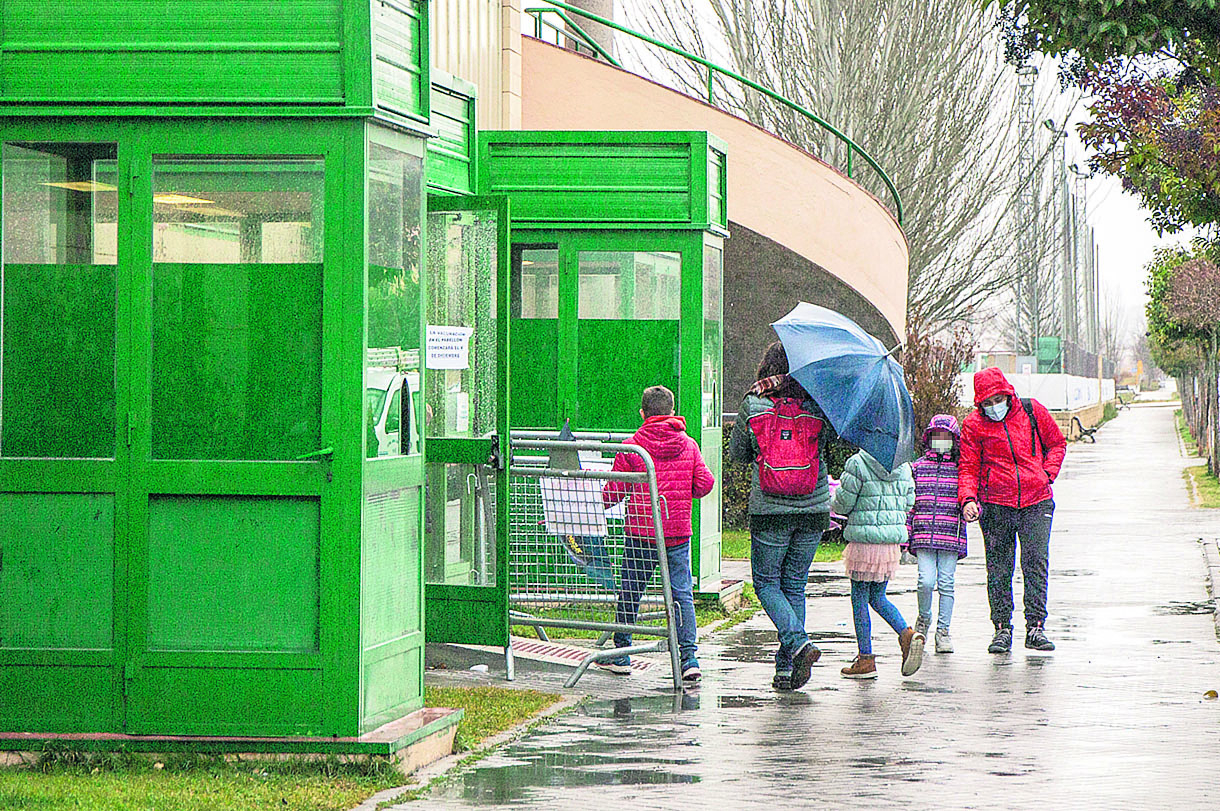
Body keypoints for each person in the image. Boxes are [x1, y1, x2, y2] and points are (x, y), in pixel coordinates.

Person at [728, 341, 836, 691]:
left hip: (770, 508)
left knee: (766, 583)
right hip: (813, 506)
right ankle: (786, 670)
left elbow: (739, 454)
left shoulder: (753, 402)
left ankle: (799, 644)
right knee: (794, 586)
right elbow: (827, 445)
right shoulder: (818, 405)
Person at [600, 385, 715, 681]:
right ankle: (689, 658)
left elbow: (613, 494)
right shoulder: (688, 444)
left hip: (641, 532)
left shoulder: (632, 446)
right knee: (681, 595)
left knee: (630, 592)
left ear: (643, 413)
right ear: (672, 412)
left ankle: (622, 652)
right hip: (676, 533)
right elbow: (704, 484)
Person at [959, 367, 1067, 653]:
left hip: (1037, 500)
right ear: (979, 403)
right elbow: (968, 466)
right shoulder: (973, 426)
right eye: (987, 402)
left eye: (998, 399)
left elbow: (1057, 443)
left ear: (1008, 394)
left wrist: (1047, 474)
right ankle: (1002, 628)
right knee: (998, 567)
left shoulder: (1032, 410)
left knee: (1035, 563)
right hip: (996, 505)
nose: (994, 407)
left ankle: (1036, 627)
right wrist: (968, 498)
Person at [831, 447, 922, 679]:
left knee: (859, 598)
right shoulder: (903, 466)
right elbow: (909, 502)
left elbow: (842, 504)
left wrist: (833, 494)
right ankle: (907, 634)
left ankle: (866, 659)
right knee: (878, 597)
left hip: (863, 541)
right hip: (890, 544)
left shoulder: (858, 463)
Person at [907, 414, 967, 654]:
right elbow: (910, 503)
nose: (941, 441)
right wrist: (907, 532)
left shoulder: (961, 469)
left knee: (947, 584)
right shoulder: (918, 468)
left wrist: (973, 509)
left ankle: (943, 631)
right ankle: (924, 618)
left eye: (946, 437)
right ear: (929, 438)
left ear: (954, 440)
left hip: (950, 536)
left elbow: (971, 497)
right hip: (923, 535)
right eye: (936, 436)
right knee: (925, 581)